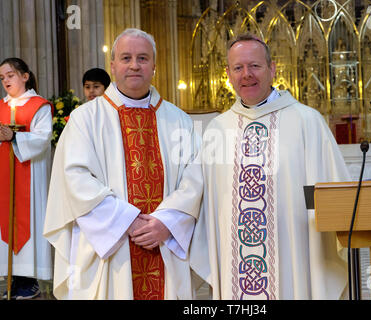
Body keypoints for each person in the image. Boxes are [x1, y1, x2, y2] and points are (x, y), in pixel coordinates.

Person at [43, 28, 204, 300]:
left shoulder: (179, 120)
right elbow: (75, 179)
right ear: (113, 65)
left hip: (164, 241)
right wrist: (127, 221)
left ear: (154, 65)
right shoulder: (85, 118)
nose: (134, 65)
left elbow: (195, 178)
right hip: (110, 247)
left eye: (143, 58)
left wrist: (166, 222)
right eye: (126, 58)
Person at [198, 34, 351, 299]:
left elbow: (337, 194)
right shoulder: (217, 129)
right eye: (238, 68)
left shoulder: (307, 121)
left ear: (272, 69)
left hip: (296, 260)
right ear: (228, 74)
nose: (246, 75)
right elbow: (205, 204)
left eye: (255, 66)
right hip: (237, 266)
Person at [0, 58, 53, 299]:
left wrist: (14, 138)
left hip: (29, 178)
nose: (6, 81)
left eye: (10, 75)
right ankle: (8, 277)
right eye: (2, 78)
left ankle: (27, 280)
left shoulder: (40, 106)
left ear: (25, 76)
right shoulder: (0, 106)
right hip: (3, 176)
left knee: (27, 221)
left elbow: (42, 141)